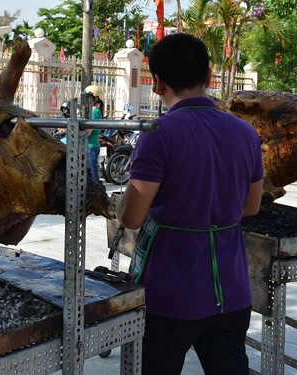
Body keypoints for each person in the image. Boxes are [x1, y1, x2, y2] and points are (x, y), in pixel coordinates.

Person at [115, 33, 263, 375]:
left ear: (157, 83)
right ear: (209, 77)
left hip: (171, 294)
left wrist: (120, 205)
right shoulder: (244, 133)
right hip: (232, 292)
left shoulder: (158, 133)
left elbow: (133, 216)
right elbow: (251, 206)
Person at [83, 84, 104, 180]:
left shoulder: (95, 111)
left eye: (88, 97)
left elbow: (88, 132)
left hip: (91, 148)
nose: (86, 100)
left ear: (95, 98)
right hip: (88, 147)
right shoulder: (90, 111)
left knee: (93, 176)